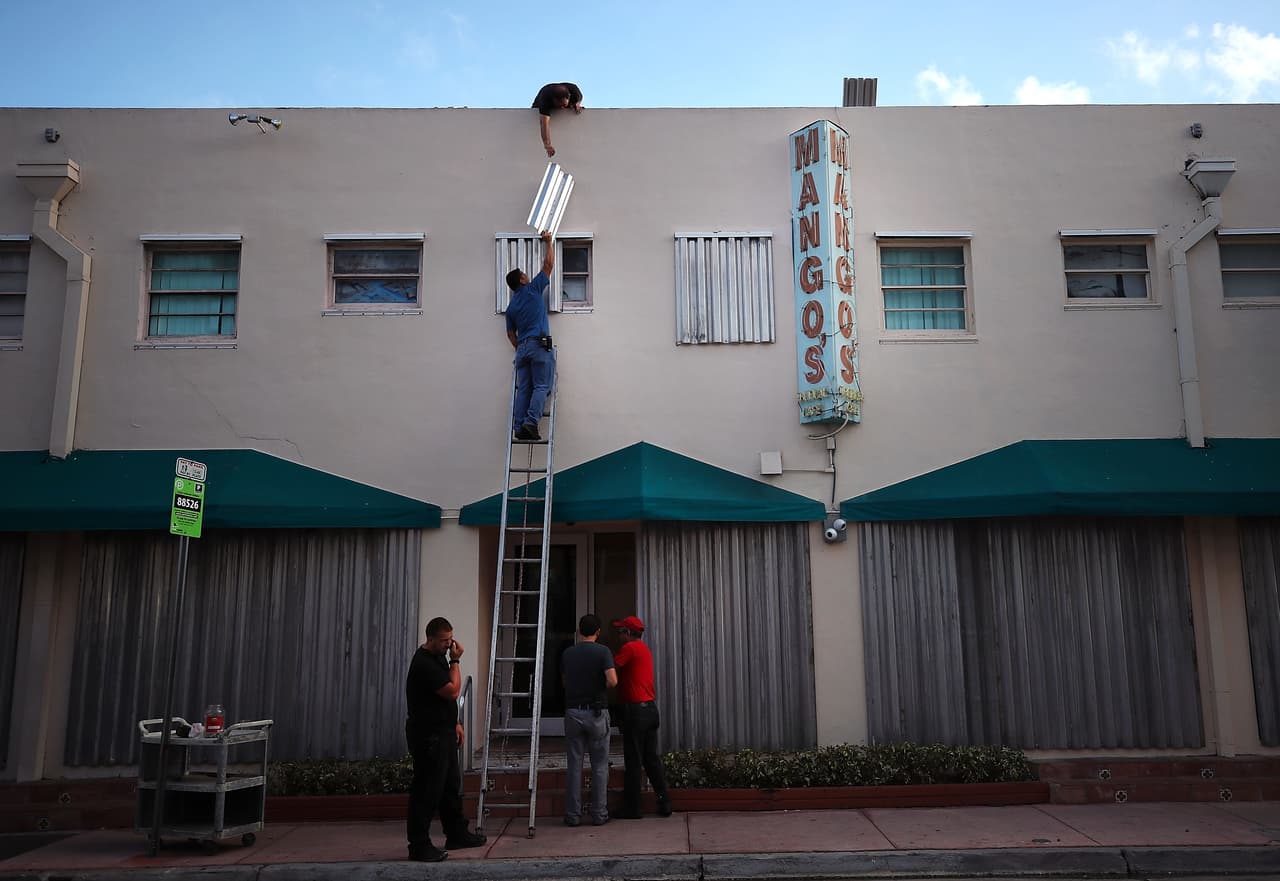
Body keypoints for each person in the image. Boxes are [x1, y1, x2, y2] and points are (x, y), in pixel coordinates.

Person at [404, 617, 487, 862]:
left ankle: (456, 832)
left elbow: (446, 701)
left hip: (445, 731)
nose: (449, 644)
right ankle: (418, 844)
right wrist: (456, 660)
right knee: (427, 789)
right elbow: (452, 690)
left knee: (451, 785)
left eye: (450, 639)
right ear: (430, 639)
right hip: (429, 735)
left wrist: (456, 722)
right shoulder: (424, 664)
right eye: (444, 641)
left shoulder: (439, 657)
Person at [610, 615, 672, 819]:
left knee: (633, 760)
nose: (619, 635)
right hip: (650, 710)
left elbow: (610, 670)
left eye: (620, 631)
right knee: (651, 759)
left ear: (628, 633)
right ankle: (664, 802)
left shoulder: (629, 649)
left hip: (636, 712)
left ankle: (633, 807)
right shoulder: (643, 648)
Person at [560, 613, 618, 827]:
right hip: (596, 713)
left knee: (574, 765)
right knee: (600, 765)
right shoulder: (603, 652)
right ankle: (599, 814)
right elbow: (612, 681)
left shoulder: (568, 653)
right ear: (598, 632)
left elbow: (565, 682)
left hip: (573, 712)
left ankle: (573, 815)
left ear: (579, 631)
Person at [504, 230, 556, 442]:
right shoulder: (533, 289)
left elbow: (510, 334)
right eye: (524, 274)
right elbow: (548, 266)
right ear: (523, 280)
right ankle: (531, 422)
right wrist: (549, 242)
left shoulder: (511, 307)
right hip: (538, 344)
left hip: (523, 348)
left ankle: (518, 426)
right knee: (542, 386)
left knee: (525, 387)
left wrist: (520, 348)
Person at [531, 82, 583, 157]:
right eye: (560, 106)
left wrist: (577, 104)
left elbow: (579, 98)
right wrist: (547, 145)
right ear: (554, 100)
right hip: (540, 100)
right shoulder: (545, 99)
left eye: (564, 105)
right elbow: (544, 123)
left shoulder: (575, 91)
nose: (562, 108)